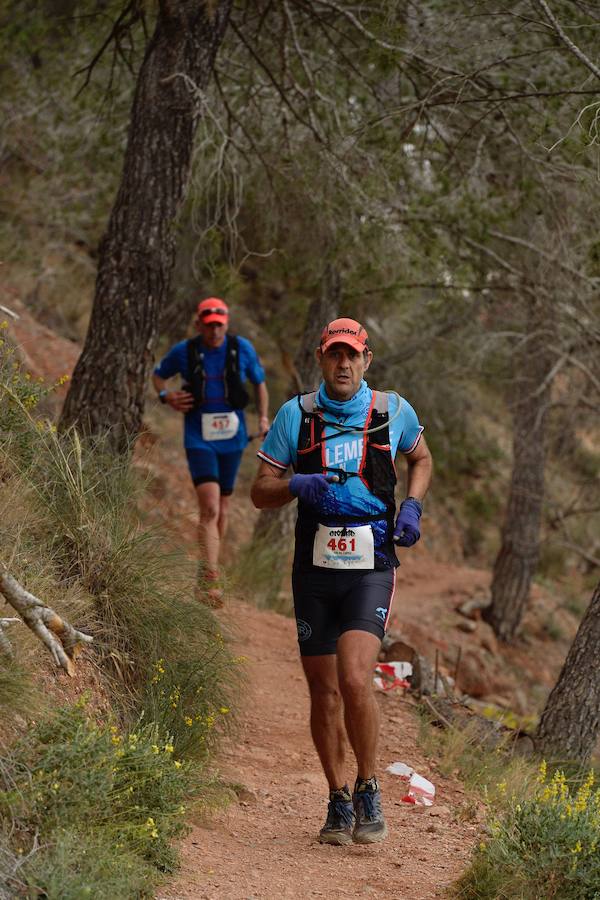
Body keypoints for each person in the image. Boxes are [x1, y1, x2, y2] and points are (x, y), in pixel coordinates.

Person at [250, 317, 432, 845]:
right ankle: (336, 798)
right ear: (321, 358)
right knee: (323, 692)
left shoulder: (391, 411)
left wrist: (414, 507)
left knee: (355, 678)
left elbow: (420, 457)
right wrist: (294, 484)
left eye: (352, 355)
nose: (343, 364)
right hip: (313, 569)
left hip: (371, 565)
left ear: (367, 360)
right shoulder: (296, 416)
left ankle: (368, 785)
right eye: (334, 355)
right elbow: (260, 490)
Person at [153, 297, 269, 606]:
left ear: (226, 323)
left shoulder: (241, 348)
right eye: (209, 324)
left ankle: (205, 570)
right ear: (199, 324)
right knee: (210, 509)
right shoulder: (185, 351)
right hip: (198, 437)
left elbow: (259, 383)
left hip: (233, 438)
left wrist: (263, 417)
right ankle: (212, 580)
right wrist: (167, 396)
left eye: (219, 324)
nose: (214, 330)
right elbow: (158, 374)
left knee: (224, 509)